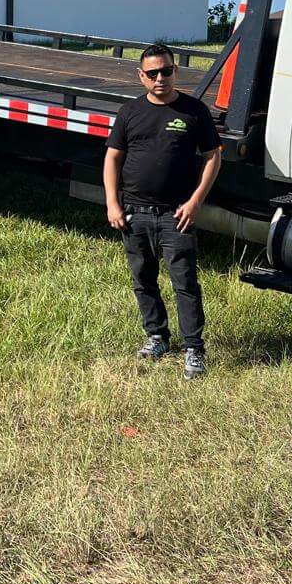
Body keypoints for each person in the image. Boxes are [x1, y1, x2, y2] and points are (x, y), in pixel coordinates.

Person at [103, 44, 221, 379]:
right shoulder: (129, 113)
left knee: (185, 282)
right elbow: (113, 157)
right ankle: (156, 336)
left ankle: (194, 350)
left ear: (175, 72)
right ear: (141, 76)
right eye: (152, 73)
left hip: (176, 215)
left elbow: (213, 156)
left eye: (166, 71)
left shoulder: (193, 111)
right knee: (143, 279)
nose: (160, 78)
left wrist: (196, 200)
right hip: (134, 213)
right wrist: (113, 202)